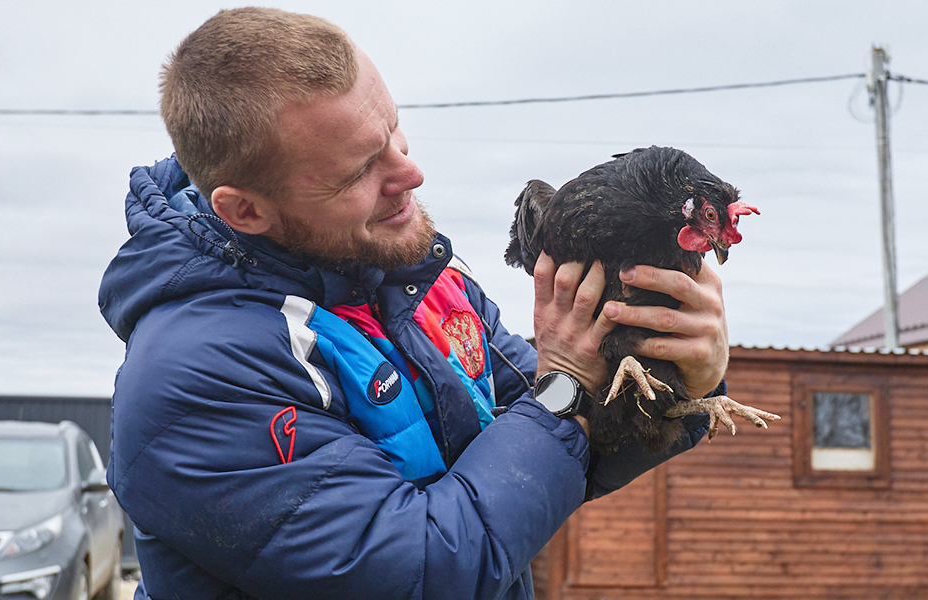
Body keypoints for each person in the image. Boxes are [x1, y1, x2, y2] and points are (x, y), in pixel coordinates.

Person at [99, 8, 729, 600]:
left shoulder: (413, 278)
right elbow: (431, 567)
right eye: (360, 172)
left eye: (395, 130)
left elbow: (553, 454)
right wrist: (566, 384)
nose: (411, 172)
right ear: (246, 210)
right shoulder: (193, 382)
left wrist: (681, 387)